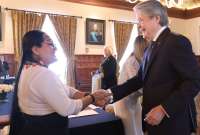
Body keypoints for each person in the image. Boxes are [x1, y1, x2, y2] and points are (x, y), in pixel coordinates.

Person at [101, 0, 200, 135]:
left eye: (141, 20)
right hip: (153, 121)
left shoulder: (176, 42)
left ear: (157, 18)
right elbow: (139, 80)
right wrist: (110, 94)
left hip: (173, 123)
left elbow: (194, 81)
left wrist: (164, 109)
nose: (139, 26)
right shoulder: (150, 48)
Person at [9, 30, 110, 135]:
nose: (55, 48)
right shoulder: (42, 74)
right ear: (35, 50)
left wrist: (87, 95)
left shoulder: (28, 69)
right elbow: (68, 108)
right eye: (50, 44)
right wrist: (93, 98)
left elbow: (66, 89)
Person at [114, 35, 149, 135]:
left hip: (134, 100)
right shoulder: (131, 62)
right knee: (130, 131)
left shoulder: (140, 61)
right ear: (142, 47)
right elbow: (137, 85)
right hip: (123, 102)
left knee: (138, 129)